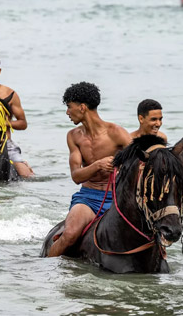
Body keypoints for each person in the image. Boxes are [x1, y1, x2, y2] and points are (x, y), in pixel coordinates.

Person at [47, 82, 132, 257]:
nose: (67, 112)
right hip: (88, 198)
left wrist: (121, 167)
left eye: (69, 107)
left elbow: (141, 163)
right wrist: (98, 165)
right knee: (69, 234)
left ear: (82, 107)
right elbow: (76, 176)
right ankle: (43, 268)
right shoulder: (73, 136)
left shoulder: (117, 132)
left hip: (117, 198)